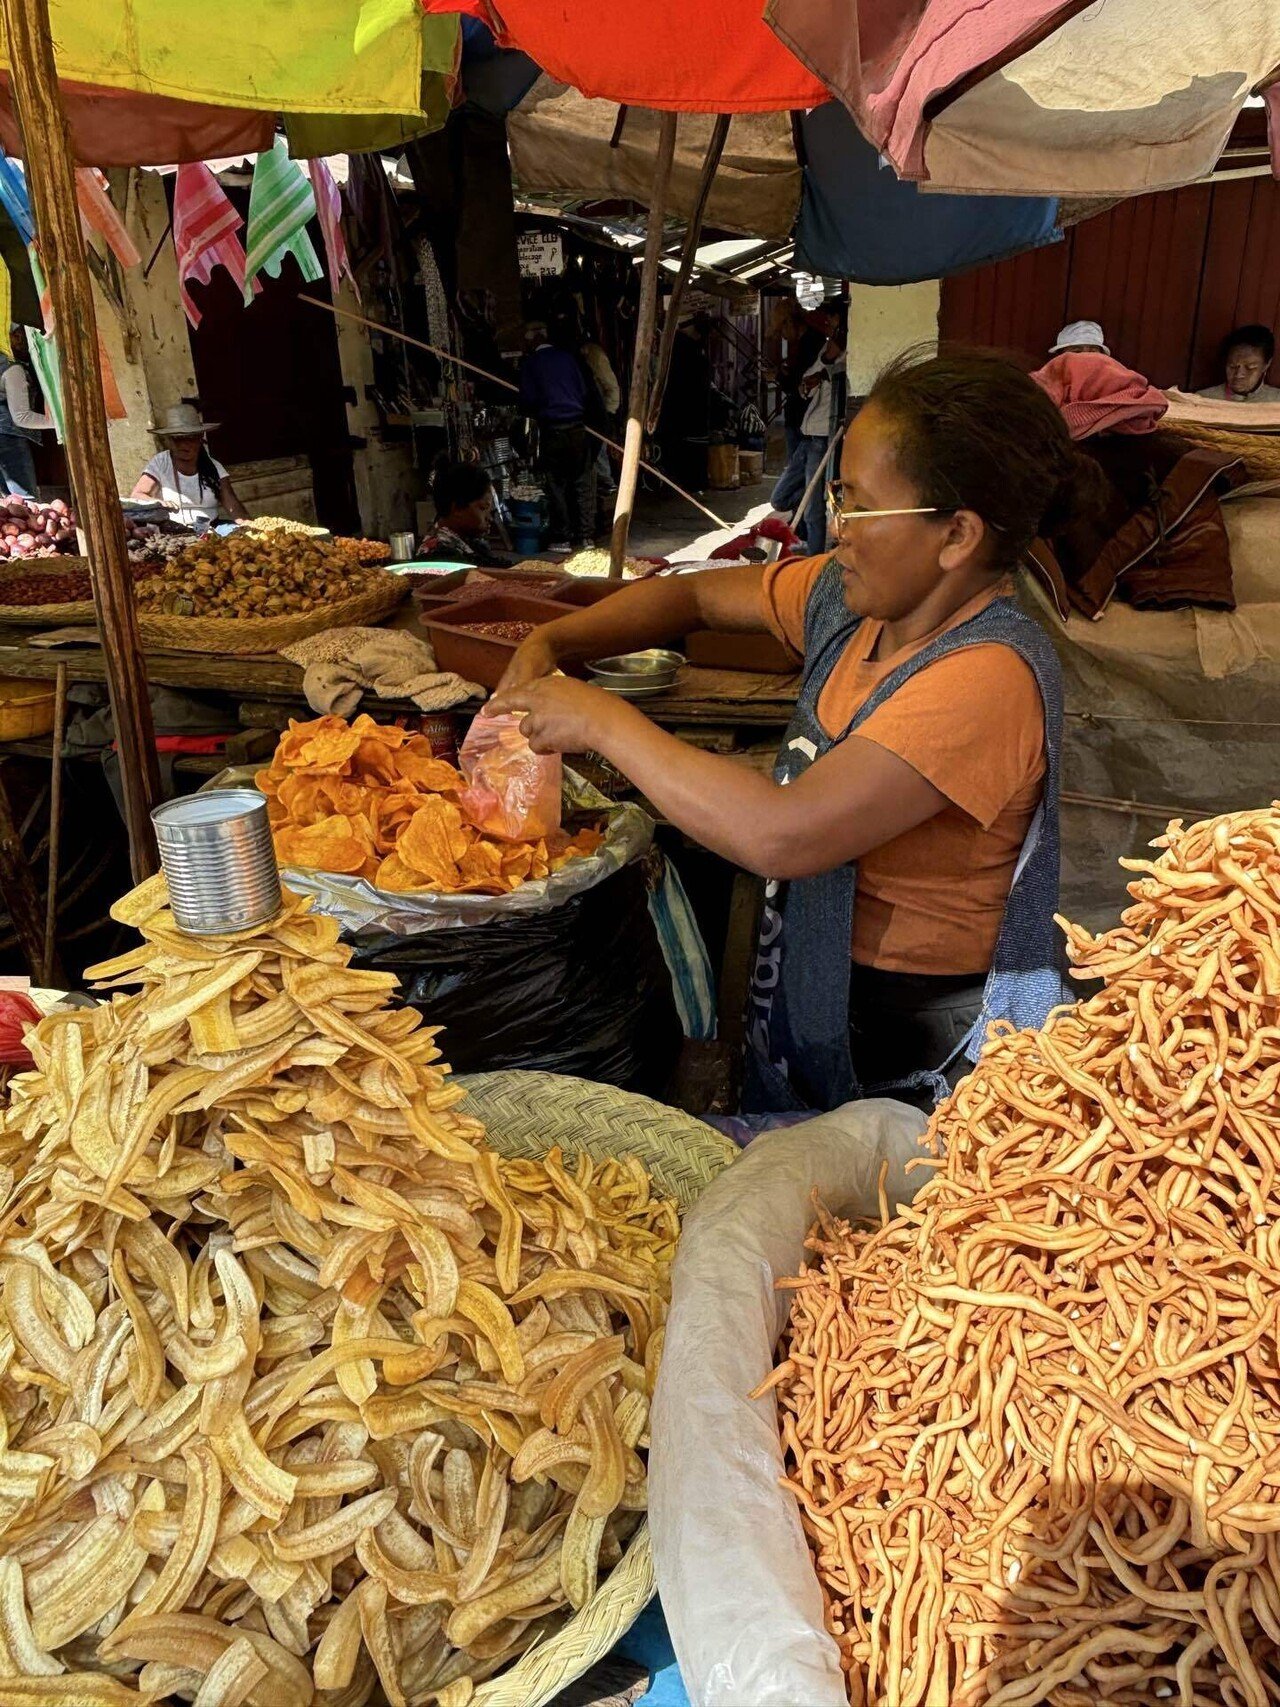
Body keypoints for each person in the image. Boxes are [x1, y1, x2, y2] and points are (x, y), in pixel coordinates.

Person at [492, 347, 1089, 1115]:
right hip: (816, 977)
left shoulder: (988, 676)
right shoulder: (851, 601)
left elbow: (783, 835)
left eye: (860, 506)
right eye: (839, 496)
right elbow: (697, 599)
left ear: (957, 536)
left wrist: (601, 718)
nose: (837, 528)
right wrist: (557, 642)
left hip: (918, 1032)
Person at [518, 315, 600, 551]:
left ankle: (562, 538)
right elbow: (584, 391)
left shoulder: (532, 364)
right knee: (581, 484)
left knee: (556, 486)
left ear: (532, 340)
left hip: (553, 430)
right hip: (577, 429)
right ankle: (586, 538)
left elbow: (528, 401)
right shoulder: (568, 359)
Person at [131, 402, 247, 527]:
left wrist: (246, 524)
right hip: (172, 531)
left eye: (190, 438)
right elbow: (137, 495)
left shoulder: (213, 467)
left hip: (210, 528)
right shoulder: (160, 463)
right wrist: (157, 503)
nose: (184, 445)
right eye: (177, 439)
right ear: (169, 440)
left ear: (200, 437)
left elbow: (231, 503)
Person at [790, 304, 847, 555]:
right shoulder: (827, 348)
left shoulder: (853, 349)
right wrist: (825, 362)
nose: (828, 322)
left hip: (826, 435)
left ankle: (815, 557)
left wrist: (827, 370)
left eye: (832, 317)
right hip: (808, 432)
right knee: (780, 498)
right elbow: (806, 382)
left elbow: (842, 377)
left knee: (817, 509)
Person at [770, 304, 826, 513]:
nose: (783, 336)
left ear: (791, 323)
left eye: (783, 330)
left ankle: (804, 521)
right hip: (801, 421)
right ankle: (802, 521)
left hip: (807, 423)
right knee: (800, 478)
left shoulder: (811, 344)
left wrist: (778, 376)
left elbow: (799, 385)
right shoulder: (803, 344)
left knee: (799, 481)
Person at [416, 458, 505, 567]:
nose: (490, 518)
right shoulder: (439, 556)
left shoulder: (468, 540)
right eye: (483, 508)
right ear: (457, 509)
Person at [0, 326, 53, 497]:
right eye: (18, 335)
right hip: (8, 439)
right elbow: (21, 417)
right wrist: (61, 424)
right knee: (26, 501)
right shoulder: (11, 368)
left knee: (9, 506)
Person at [1197, 324, 1280, 403]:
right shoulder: (1203, 399)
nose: (1239, 374)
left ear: (1266, 364)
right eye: (1232, 366)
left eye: (1250, 367)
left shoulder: (1276, 401)